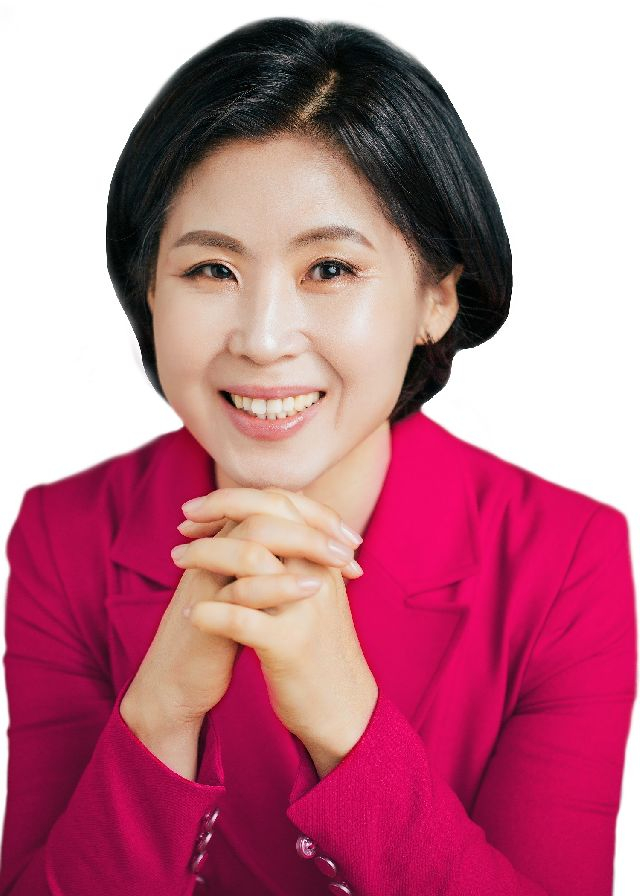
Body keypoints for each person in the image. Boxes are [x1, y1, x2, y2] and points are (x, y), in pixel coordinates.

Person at [0, 15, 636, 896]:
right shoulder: (63, 535)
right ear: (147, 291)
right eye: (211, 270)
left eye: (330, 269)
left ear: (437, 300)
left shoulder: (565, 559)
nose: (262, 339)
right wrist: (160, 713)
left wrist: (348, 727)